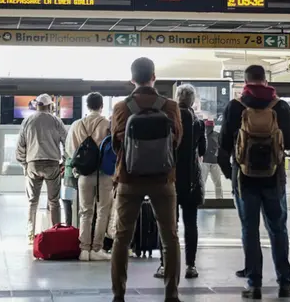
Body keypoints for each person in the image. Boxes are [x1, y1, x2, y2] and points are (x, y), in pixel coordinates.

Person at [219, 65, 290, 299]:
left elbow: (223, 147)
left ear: (245, 82)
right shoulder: (280, 106)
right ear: (266, 80)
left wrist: (232, 174)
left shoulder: (235, 107)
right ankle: (285, 283)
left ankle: (254, 285)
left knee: (250, 229)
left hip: (244, 179)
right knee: (278, 228)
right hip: (274, 178)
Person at [110, 57, 183, 302]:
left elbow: (116, 144)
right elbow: (177, 141)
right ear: (154, 77)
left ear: (132, 79)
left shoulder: (121, 108)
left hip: (129, 179)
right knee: (169, 237)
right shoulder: (170, 106)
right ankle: (171, 294)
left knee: (122, 238)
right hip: (163, 179)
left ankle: (119, 294)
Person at [155, 84, 206, 280]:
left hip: (170, 177)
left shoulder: (168, 121)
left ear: (177, 98)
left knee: (168, 224)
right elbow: (202, 150)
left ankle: (165, 265)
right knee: (190, 223)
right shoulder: (198, 123)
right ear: (192, 100)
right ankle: (191, 265)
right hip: (191, 179)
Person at [65, 92, 112, 262]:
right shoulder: (107, 124)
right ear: (101, 106)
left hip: (84, 175)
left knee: (85, 211)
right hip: (103, 174)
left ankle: (84, 249)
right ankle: (96, 248)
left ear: (87, 106)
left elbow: (70, 150)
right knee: (102, 211)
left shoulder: (77, 124)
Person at [16, 94, 68, 243]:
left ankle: (30, 235)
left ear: (37, 105)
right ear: (50, 106)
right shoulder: (56, 121)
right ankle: (56, 233)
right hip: (52, 164)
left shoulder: (28, 121)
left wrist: (25, 164)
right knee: (54, 202)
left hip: (33, 164)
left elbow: (20, 146)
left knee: (32, 202)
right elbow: (67, 142)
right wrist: (64, 162)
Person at [201, 120, 223, 199]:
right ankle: (218, 199)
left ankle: (219, 199)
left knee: (215, 182)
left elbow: (221, 147)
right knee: (205, 182)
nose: (209, 128)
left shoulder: (216, 135)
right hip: (207, 161)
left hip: (211, 161)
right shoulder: (203, 135)